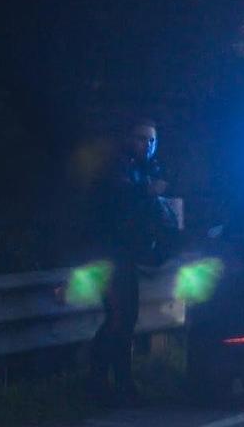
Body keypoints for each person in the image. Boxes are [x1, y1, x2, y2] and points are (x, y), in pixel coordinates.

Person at [85, 118, 176, 404]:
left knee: (124, 320)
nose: (146, 145)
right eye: (141, 139)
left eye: (151, 140)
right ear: (128, 138)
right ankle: (103, 384)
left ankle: (118, 385)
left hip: (124, 255)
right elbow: (117, 202)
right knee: (119, 318)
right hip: (108, 255)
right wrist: (147, 192)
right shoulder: (119, 168)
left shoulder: (143, 169)